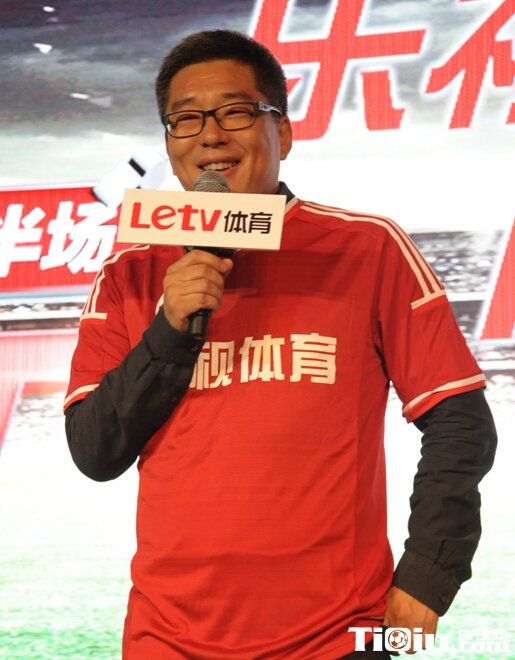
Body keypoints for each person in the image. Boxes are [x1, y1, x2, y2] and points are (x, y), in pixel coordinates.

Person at [64, 29, 497, 659]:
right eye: (186, 119)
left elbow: (460, 421)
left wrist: (427, 581)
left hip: (337, 639)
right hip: (167, 641)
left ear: (284, 133)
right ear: (169, 143)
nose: (210, 135)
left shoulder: (365, 248)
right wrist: (168, 328)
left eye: (235, 112)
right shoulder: (129, 272)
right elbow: (95, 451)